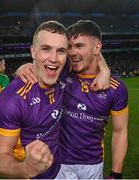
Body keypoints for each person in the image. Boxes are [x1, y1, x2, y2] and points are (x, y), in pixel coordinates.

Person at [16, 20, 128, 179]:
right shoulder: (60, 75)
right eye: (70, 47)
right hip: (58, 162)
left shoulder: (116, 89)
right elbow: (42, 64)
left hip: (93, 164)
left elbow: (120, 131)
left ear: (97, 48)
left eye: (79, 46)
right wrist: (25, 67)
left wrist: (116, 174)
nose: (72, 52)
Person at [0, 20, 69, 179]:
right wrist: (25, 168)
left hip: (61, 170)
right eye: (46, 49)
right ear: (33, 52)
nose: (54, 58)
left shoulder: (64, 74)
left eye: (61, 51)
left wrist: (104, 70)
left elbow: (90, 48)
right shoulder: (11, 101)